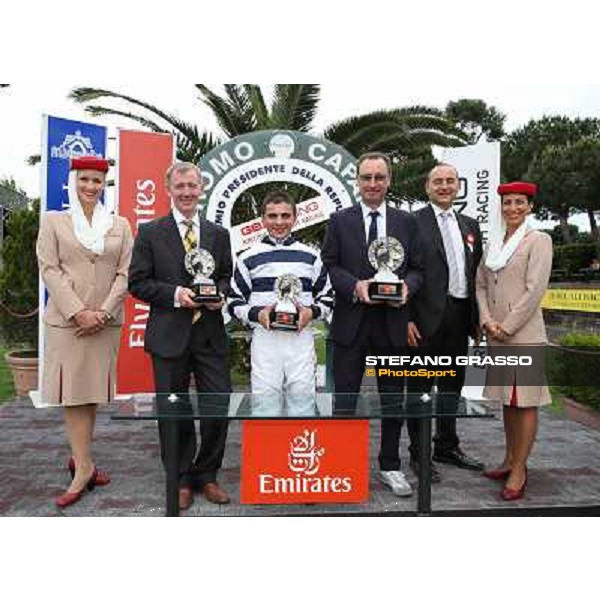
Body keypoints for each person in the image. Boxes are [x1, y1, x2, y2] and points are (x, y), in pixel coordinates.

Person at [128, 162, 232, 510]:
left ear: (201, 188)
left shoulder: (219, 234)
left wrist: (218, 293)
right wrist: (176, 294)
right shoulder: (150, 232)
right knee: (175, 411)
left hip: (210, 335)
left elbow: (226, 276)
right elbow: (138, 282)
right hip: (169, 335)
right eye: (180, 186)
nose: (187, 192)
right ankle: (181, 478)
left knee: (219, 405)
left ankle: (208, 474)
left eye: (193, 185)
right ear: (168, 189)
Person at [322, 151, 424, 498]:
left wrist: (407, 288)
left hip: (392, 325)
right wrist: (355, 286)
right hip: (351, 323)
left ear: (389, 180)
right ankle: (340, 465)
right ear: (358, 180)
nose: (373, 184)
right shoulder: (339, 220)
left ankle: (390, 465)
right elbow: (330, 265)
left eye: (379, 177)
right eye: (366, 177)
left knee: (394, 398)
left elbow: (418, 269)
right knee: (344, 399)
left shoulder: (407, 222)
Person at [36, 156, 133, 508]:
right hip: (68, 323)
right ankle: (83, 468)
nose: (91, 187)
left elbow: (125, 273)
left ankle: (82, 459)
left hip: (105, 323)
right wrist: (78, 312)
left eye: (97, 181)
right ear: (73, 181)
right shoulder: (53, 221)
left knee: (90, 393)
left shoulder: (119, 224)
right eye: (85, 180)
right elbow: (49, 270)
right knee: (74, 394)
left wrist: (103, 312)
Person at [407, 163, 484, 481]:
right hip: (424, 319)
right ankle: (419, 453)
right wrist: (406, 318)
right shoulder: (412, 223)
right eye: (437, 181)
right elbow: (403, 273)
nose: (444, 186)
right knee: (421, 387)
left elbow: (475, 274)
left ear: (458, 186)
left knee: (452, 385)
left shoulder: (469, 224)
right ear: (427, 187)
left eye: (450, 181)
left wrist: (476, 318)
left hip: (460, 316)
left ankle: (446, 445)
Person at [476, 181, 553, 501]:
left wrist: (506, 327)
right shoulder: (494, 242)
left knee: (525, 402)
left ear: (530, 206)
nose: (513, 209)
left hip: (521, 335)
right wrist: (485, 319)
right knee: (509, 401)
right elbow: (480, 284)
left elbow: (534, 290)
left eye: (520, 203)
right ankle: (509, 459)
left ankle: (520, 468)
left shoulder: (539, 240)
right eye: (507, 203)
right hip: (495, 332)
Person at [228, 190, 333, 416]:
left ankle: (298, 450)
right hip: (265, 338)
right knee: (265, 403)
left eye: (285, 216)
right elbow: (233, 301)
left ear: (295, 218)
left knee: (302, 401)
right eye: (272, 216)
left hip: (300, 337)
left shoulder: (311, 256)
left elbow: (327, 298)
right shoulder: (248, 257)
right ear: (262, 220)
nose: (279, 222)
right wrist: (258, 315)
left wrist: (310, 313)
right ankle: (267, 452)